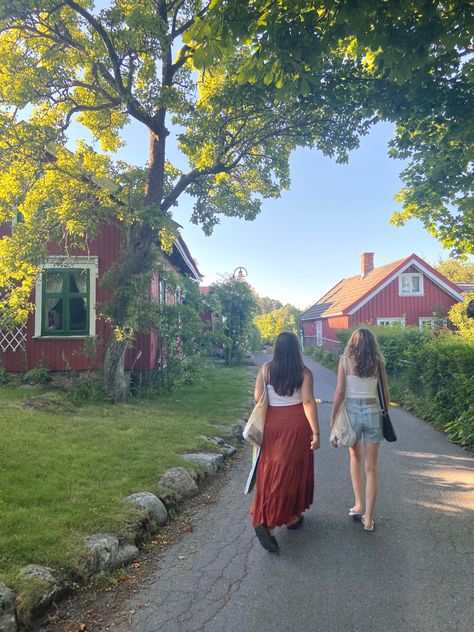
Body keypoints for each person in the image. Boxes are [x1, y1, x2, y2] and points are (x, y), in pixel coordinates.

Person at [251, 331, 320, 552]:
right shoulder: (304, 373)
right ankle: (269, 523)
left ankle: (291, 516)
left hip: (272, 424)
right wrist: (316, 432)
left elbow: (257, 396)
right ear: (296, 349)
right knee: (291, 472)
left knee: (273, 468)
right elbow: (308, 402)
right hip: (297, 426)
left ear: (276, 348)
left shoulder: (266, 370)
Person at [330, 328, 390, 532]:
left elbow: (339, 391)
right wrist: (386, 414)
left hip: (352, 412)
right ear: (372, 344)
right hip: (373, 411)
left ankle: (358, 504)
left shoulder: (345, 360)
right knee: (371, 468)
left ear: (352, 343)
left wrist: (333, 417)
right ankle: (369, 518)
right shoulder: (378, 362)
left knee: (354, 456)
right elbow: (386, 393)